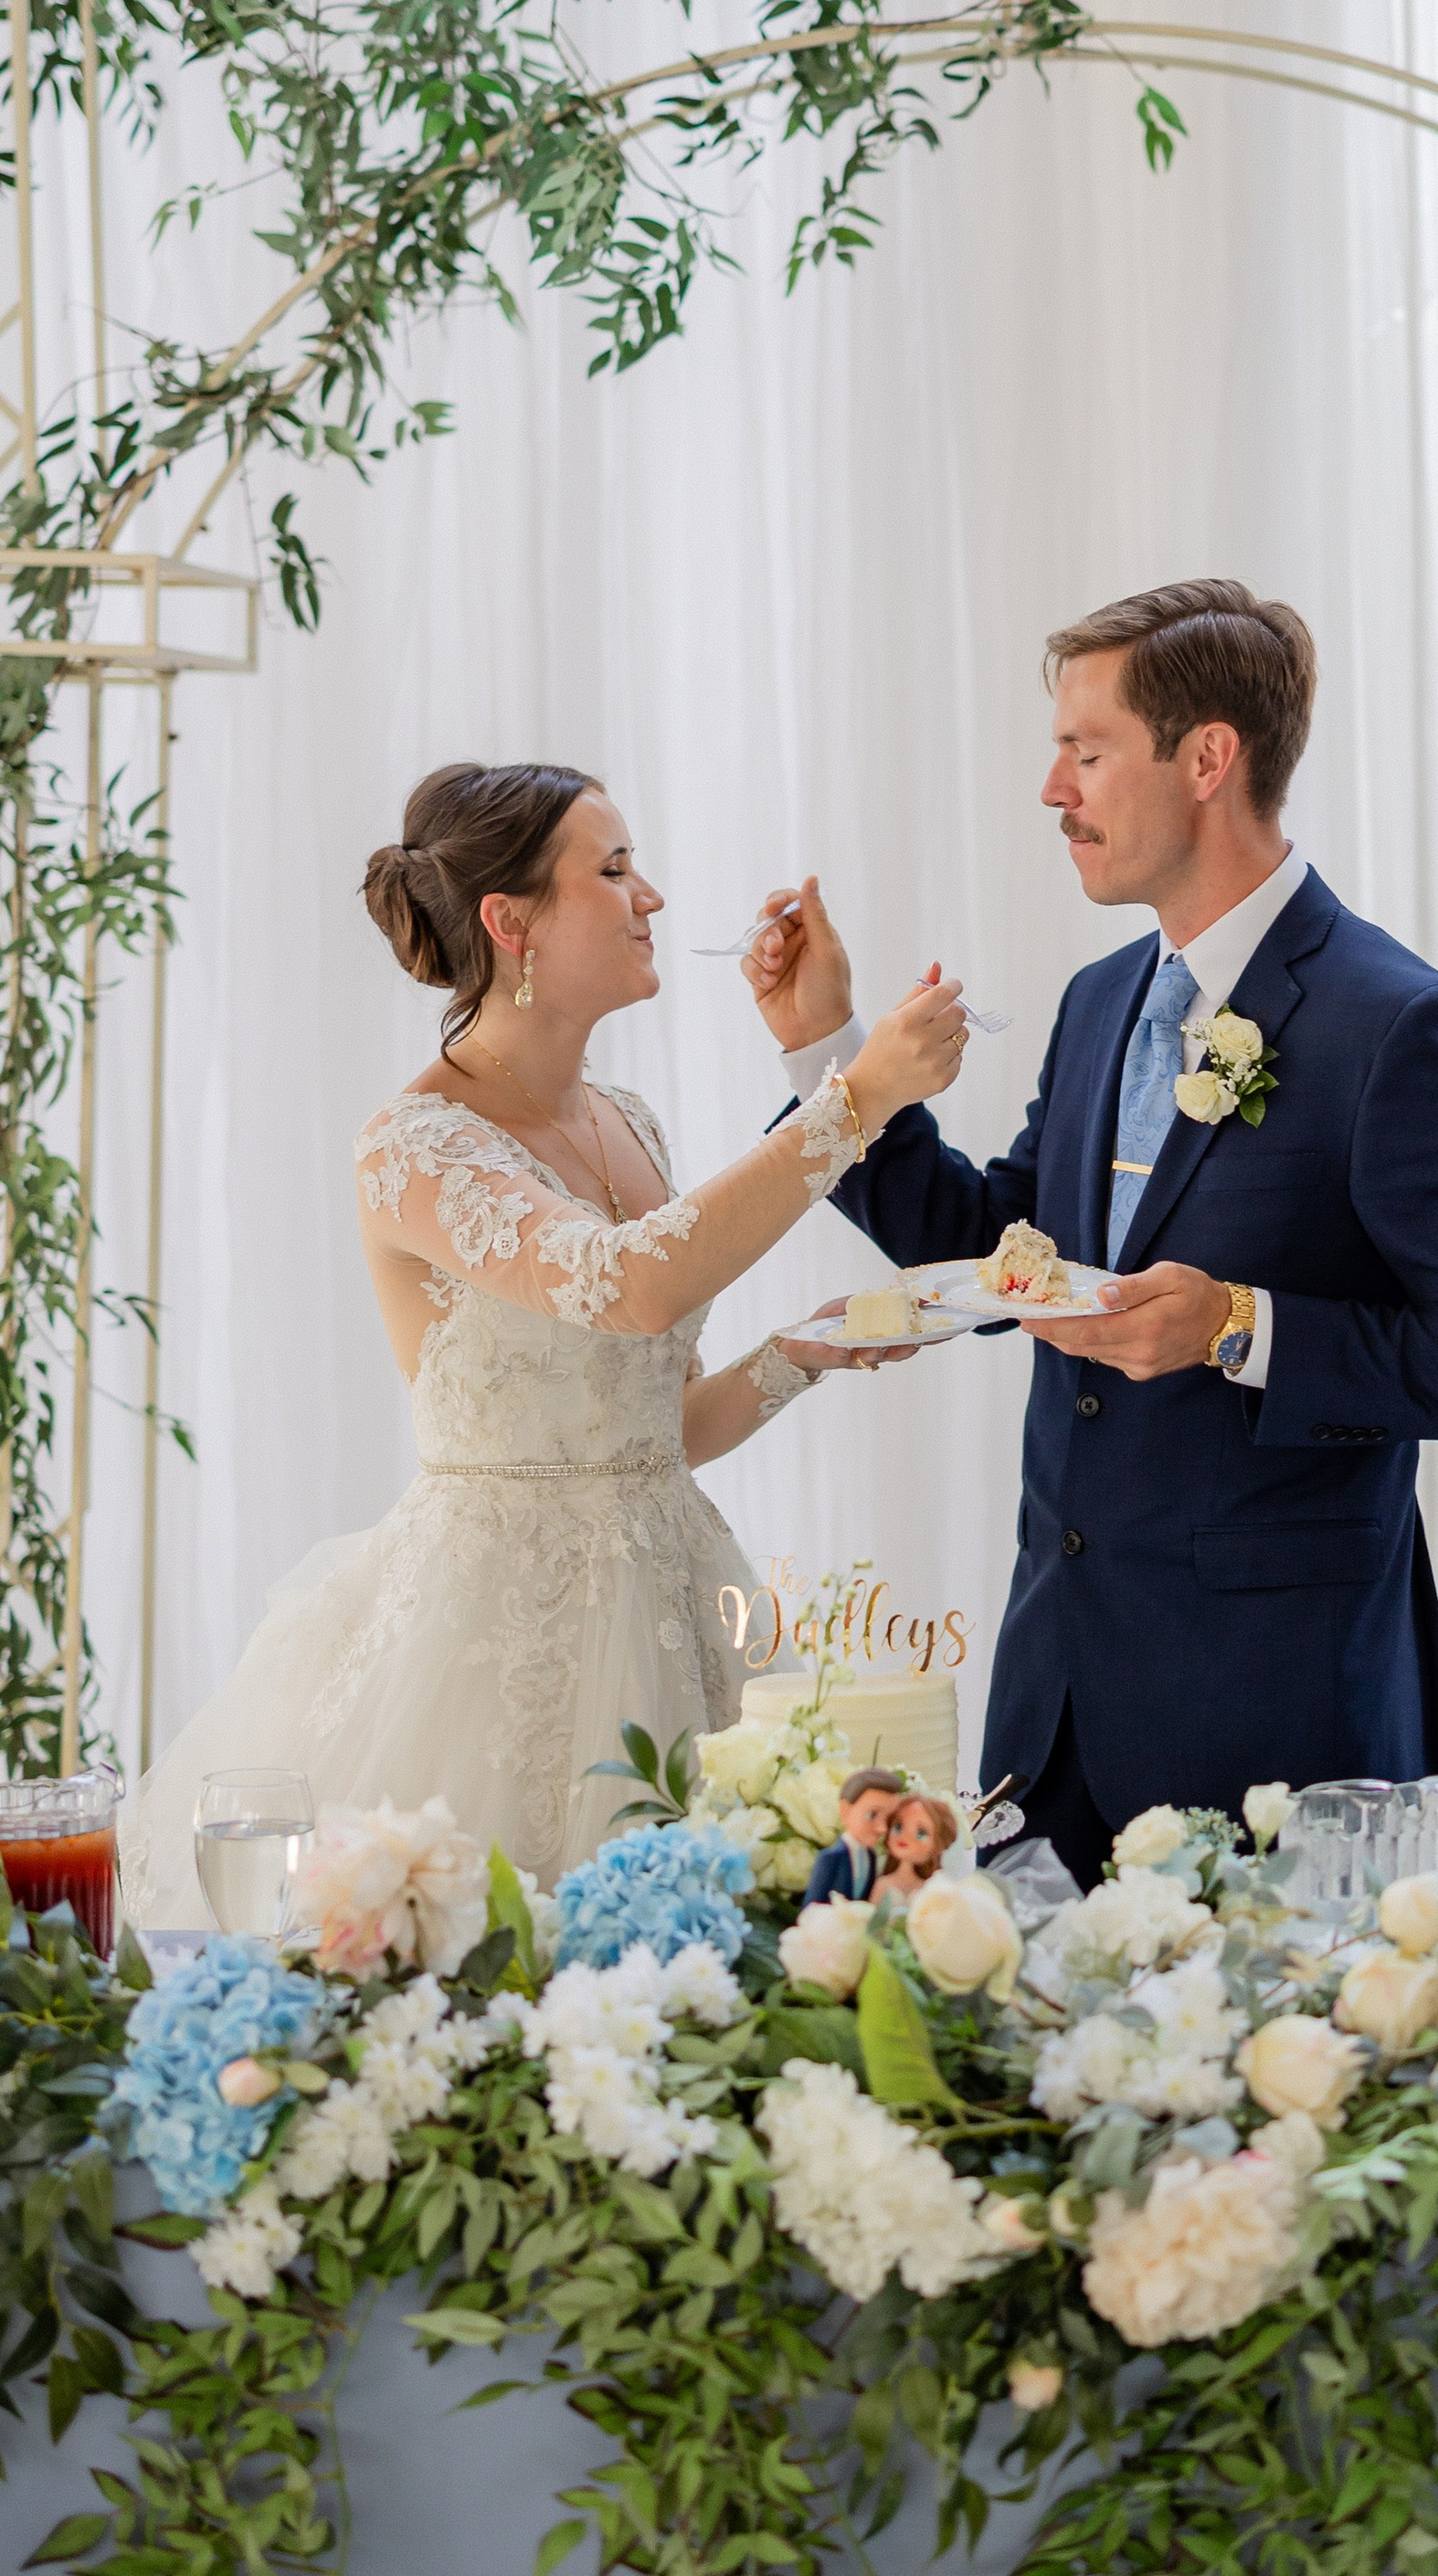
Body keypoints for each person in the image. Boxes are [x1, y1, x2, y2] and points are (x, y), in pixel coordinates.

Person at [745, 579, 1438, 1890]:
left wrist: (1242, 1328)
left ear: (1208, 760)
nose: (1051, 790)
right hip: (1057, 1713)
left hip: (1280, 1738)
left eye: (1085, 752)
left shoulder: (1401, 1026)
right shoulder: (1097, 1005)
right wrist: (826, 1052)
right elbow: (994, 1245)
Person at [124, 760, 967, 1921]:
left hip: (677, 1609)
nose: (652, 898)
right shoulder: (416, 1144)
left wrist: (798, 1352)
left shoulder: (630, 1121)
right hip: (485, 1651)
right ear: (509, 922)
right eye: (614, 871)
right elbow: (628, 1286)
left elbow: (647, 1429)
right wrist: (853, 1100)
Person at [800, 1764, 909, 1905]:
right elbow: (811, 1908)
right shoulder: (830, 1858)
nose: (882, 1828)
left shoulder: (871, 1857)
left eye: (889, 1819)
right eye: (872, 1815)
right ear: (845, 1810)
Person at [873, 1793, 957, 1900]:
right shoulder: (883, 1884)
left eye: (921, 1833)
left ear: (937, 1845)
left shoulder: (933, 1889)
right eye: (898, 1827)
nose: (905, 1836)